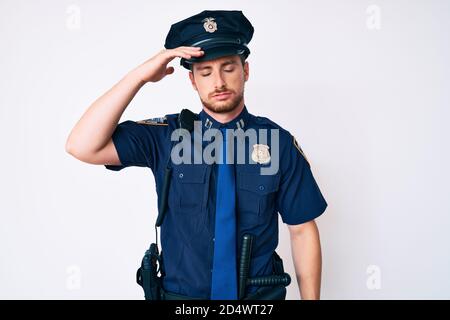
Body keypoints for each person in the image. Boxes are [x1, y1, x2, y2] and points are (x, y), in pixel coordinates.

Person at [65, 10, 328, 300]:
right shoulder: (166, 136)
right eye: (205, 72)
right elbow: (82, 145)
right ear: (192, 80)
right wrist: (139, 76)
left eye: (228, 68)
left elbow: (302, 230)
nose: (218, 82)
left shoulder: (277, 143)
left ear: (246, 71)